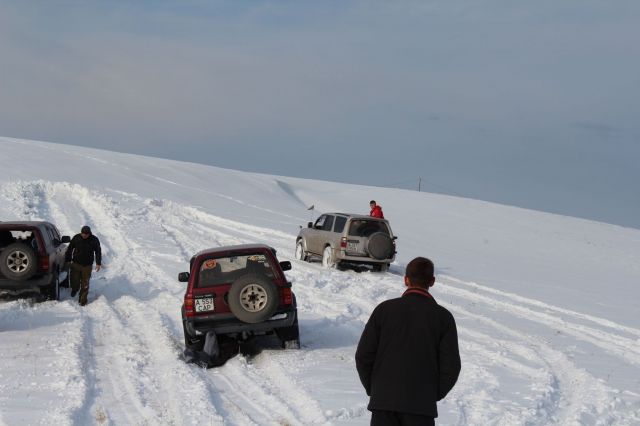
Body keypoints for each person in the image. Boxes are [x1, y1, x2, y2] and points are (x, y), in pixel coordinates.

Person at [355, 257, 461, 425]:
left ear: (406, 280)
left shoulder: (384, 310)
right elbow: (451, 366)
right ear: (432, 281)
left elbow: (363, 356)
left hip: (383, 403)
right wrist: (430, 394)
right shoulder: (443, 318)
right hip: (421, 407)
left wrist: (375, 389)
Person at [65, 225, 102, 306]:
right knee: (74, 280)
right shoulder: (76, 238)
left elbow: (98, 251)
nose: (84, 235)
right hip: (76, 264)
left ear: (89, 234)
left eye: (86, 234)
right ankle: (75, 289)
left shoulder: (94, 240)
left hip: (87, 265)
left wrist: (98, 263)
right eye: (83, 233)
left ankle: (82, 301)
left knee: (85, 283)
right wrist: (68, 260)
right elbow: (70, 248)